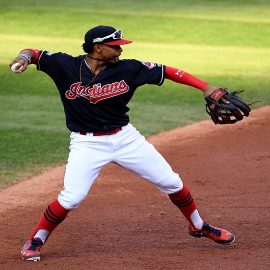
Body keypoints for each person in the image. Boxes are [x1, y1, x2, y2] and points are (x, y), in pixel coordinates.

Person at [10, 25, 235, 262]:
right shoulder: (65, 65)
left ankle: (198, 225)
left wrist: (205, 87)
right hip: (87, 144)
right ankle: (37, 238)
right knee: (72, 197)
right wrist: (24, 57)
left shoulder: (130, 68)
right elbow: (34, 53)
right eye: (115, 46)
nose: (120, 51)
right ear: (98, 47)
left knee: (172, 182)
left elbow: (167, 71)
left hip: (126, 138)